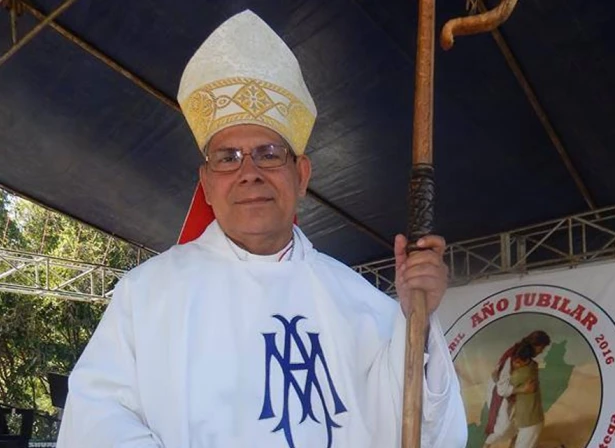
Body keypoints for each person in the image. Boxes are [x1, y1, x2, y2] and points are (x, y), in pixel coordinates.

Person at [55, 10, 467, 448]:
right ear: (207, 185)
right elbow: (96, 424)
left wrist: (416, 326)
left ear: (302, 175)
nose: (248, 173)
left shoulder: (364, 305)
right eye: (227, 158)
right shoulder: (146, 297)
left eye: (269, 153)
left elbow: (425, 432)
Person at [483, 331, 550, 448]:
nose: (541, 351)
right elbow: (501, 390)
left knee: (514, 422)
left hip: (511, 392)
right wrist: (523, 389)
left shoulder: (525, 355)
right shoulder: (513, 358)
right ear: (536, 345)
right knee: (503, 427)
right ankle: (487, 444)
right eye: (542, 348)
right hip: (499, 391)